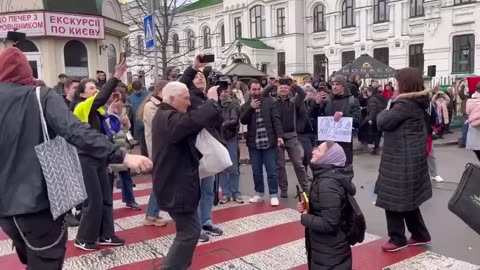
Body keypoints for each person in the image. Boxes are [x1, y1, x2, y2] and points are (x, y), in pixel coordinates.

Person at [0, 47, 152, 270]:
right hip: (39, 205)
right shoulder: (41, 96)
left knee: (32, 258)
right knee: (45, 260)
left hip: (5, 209)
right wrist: (120, 155)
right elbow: (75, 131)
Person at [152, 81, 222, 270]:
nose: (189, 103)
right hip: (177, 189)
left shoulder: (167, 113)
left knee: (188, 231)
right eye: (186, 99)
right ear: (172, 99)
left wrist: (193, 69)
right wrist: (212, 102)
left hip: (175, 186)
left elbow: (189, 119)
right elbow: (192, 121)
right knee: (189, 233)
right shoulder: (168, 118)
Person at [70, 60, 134, 251]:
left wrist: (113, 112)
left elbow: (109, 132)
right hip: (85, 159)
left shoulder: (98, 111)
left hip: (99, 158)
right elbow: (99, 99)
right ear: (82, 94)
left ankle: (106, 234)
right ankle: (83, 238)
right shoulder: (81, 107)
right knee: (94, 201)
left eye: (95, 87)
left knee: (106, 198)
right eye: (91, 88)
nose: (95, 90)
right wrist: (115, 77)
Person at [375, 68, 432, 252]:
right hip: (411, 158)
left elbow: (382, 122)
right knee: (409, 199)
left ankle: (397, 239)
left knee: (392, 199)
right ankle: (420, 234)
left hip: (400, 160)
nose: (395, 85)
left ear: (404, 84)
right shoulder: (416, 102)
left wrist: (387, 106)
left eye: (397, 81)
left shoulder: (403, 104)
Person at [179, 55, 224, 242]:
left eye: (201, 77)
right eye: (196, 76)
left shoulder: (207, 97)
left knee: (208, 189)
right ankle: (195, 227)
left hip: (209, 147)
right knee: (195, 190)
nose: (199, 78)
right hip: (193, 149)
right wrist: (193, 68)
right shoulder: (187, 97)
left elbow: (218, 120)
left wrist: (212, 103)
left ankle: (206, 221)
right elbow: (180, 84)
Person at [297, 141, 355, 270]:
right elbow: (326, 208)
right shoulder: (324, 176)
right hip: (327, 249)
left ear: (328, 157)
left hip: (330, 252)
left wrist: (305, 218)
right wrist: (307, 207)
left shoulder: (328, 184)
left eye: (318, 150)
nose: (313, 151)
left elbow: (330, 223)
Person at [263, 78, 309, 198]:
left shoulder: (294, 102)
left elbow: (302, 94)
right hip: (277, 137)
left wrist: (293, 84)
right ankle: (283, 189)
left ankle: (306, 188)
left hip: (291, 136)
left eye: (285, 87)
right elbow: (263, 94)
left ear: (289, 90)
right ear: (277, 90)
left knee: (298, 164)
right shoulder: (273, 102)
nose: (283, 89)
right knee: (280, 165)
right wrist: (271, 85)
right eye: (281, 87)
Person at [240, 79, 284, 206]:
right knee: (256, 171)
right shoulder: (245, 105)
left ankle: (273, 194)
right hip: (254, 144)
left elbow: (276, 120)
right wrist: (250, 108)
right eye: (254, 89)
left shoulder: (269, 101)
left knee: (272, 170)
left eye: (258, 89)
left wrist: (279, 136)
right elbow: (243, 121)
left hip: (269, 142)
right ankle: (259, 193)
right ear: (249, 90)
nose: (256, 92)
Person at [138, 80, 169, 227]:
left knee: (163, 182)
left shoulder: (160, 105)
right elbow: (162, 125)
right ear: (158, 91)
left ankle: (154, 212)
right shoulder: (151, 107)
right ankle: (151, 214)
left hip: (163, 149)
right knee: (159, 183)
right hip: (157, 150)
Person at [318, 75, 361, 165]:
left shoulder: (352, 100)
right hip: (328, 142)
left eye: (337, 84)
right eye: (333, 84)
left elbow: (357, 121)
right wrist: (316, 104)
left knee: (345, 167)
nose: (334, 87)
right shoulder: (327, 99)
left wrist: (344, 115)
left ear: (343, 86)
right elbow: (315, 116)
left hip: (345, 144)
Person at [218, 87, 243, 204]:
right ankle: (225, 194)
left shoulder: (233, 105)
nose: (224, 93)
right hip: (219, 139)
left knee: (233, 167)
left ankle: (235, 193)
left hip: (231, 138)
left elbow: (234, 120)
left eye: (226, 91)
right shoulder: (216, 105)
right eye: (222, 91)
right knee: (222, 168)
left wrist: (223, 124)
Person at [127, 80, 149, 156]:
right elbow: (129, 113)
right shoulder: (130, 98)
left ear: (141, 88)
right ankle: (145, 158)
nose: (138, 92)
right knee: (142, 144)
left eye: (139, 90)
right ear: (133, 89)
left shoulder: (148, 95)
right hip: (138, 124)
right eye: (136, 90)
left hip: (148, 121)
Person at [363, 86, 387, 155]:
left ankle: (376, 149)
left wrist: (370, 119)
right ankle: (376, 148)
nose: (367, 93)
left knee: (375, 133)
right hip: (381, 117)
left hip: (375, 118)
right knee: (379, 134)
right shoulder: (380, 97)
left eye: (367, 92)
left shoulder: (372, 99)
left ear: (370, 92)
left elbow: (373, 110)